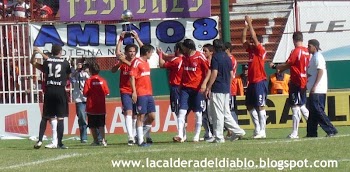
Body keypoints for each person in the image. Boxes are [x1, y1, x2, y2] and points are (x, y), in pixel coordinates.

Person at [270, 31, 310, 139]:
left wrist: (276, 67)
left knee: (295, 106)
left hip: (296, 81)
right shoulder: (307, 51)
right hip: (304, 81)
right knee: (301, 105)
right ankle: (312, 127)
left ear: (294, 40)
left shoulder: (296, 51)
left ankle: (295, 132)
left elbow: (288, 64)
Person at [205, 39, 246, 143]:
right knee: (226, 113)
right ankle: (238, 131)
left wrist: (208, 87)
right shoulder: (228, 58)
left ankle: (219, 137)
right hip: (226, 88)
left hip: (217, 88)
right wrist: (227, 85)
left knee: (218, 113)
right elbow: (231, 74)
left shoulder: (215, 57)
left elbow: (214, 73)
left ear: (214, 48)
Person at [32, 45, 70, 149]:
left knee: (45, 117)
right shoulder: (65, 63)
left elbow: (34, 63)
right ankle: (60, 143)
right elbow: (68, 76)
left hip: (49, 91)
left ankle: (40, 140)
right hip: (60, 91)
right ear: (60, 52)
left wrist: (37, 53)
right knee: (61, 118)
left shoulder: (47, 62)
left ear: (52, 52)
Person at [173, 39, 209, 143]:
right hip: (185, 89)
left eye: (183, 47)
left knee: (198, 113)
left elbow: (209, 71)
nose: (182, 49)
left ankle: (196, 135)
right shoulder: (184, 58)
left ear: (188, 48)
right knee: (181, 112)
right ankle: (180, 135)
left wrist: (204, 83)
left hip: (197, 89)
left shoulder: (199, 56)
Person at [111, 31, 143, 146]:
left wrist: (137, 38)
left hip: (137, 90)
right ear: (126, 52)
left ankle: (134, 134)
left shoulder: (137, 62)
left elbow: (144, 49)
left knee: (136, 114)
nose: (132, 54)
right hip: (125, 90)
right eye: (130, 51)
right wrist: (120, 39)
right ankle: (130, 136)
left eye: (134, 52)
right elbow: (113, 70)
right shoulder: (122, 61)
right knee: (128, 112)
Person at [157, 42, 190, 141]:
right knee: (183, 111)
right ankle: (183, 134)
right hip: (185, 86)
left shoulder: (176, 60)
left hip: (176, 87)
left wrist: (160, 55)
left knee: (178, 111)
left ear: (178, 50)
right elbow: (171, 58)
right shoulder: (186, 59)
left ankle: (181, 134)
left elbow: (162, 64)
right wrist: (165, 55)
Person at [242, 15, 268, 139]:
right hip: (251, 82)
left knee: (260, 105)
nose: (251, 43)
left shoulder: (261, 50)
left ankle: (263, 130)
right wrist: (246, 26)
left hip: (259, 81)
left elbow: (253, 37)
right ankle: (257, 128)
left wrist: (250, 23)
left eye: (253, 41)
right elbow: (243, 41)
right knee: (249, 105)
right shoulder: (251, 51)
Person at [306, 39, 338, 137]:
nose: (308, 48)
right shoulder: (313, 57)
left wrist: (315, 86)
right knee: (312, 111)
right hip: (314, 89)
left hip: (318, 89)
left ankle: (331, 129)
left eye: (309, 46)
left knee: (317, 109)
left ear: (314, 47)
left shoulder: (318, 57)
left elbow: (321, 71)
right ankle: (311, 133)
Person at [130, 44, 156, 147]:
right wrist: (134, 92)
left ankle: (139, 135)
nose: (152, 54)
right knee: (140, 116)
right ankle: (140, 141)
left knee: (152, 116)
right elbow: (131, 77)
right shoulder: (137, 62)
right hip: (141, 93)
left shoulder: (146, 62)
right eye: (151, 52)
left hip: (149, 93)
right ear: (147, 52)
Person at [83, 62, 109, 146]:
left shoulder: (88, 81)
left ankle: (96, 140)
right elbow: (107, 92)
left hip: (91, 107)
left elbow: (85, 93)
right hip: (101, 106)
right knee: (101, 124)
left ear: (90, 71)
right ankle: (104, 140)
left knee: (92, 125)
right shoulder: (103, 80)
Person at [71, 60, 90, 143]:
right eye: (78, 64)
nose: (80, 66)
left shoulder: (88, 73)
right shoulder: (75, 73)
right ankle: (84, 136)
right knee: (82, 117)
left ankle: (99, 137)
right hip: (79, 98)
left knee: (94, 117)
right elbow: (72, 76)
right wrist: (76, 69)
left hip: (89, 97)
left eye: (81, 64)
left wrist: (87, 71)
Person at [201, 43, 214, 141]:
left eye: (205, 51)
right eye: (203, 50)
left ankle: (213, 133)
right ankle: (207, 132)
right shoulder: (203, 62)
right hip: (203, 89)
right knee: (204, 112)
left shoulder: (213, 62)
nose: (203, 52)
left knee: (210, 113)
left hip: (211, 89)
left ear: (211, 52)